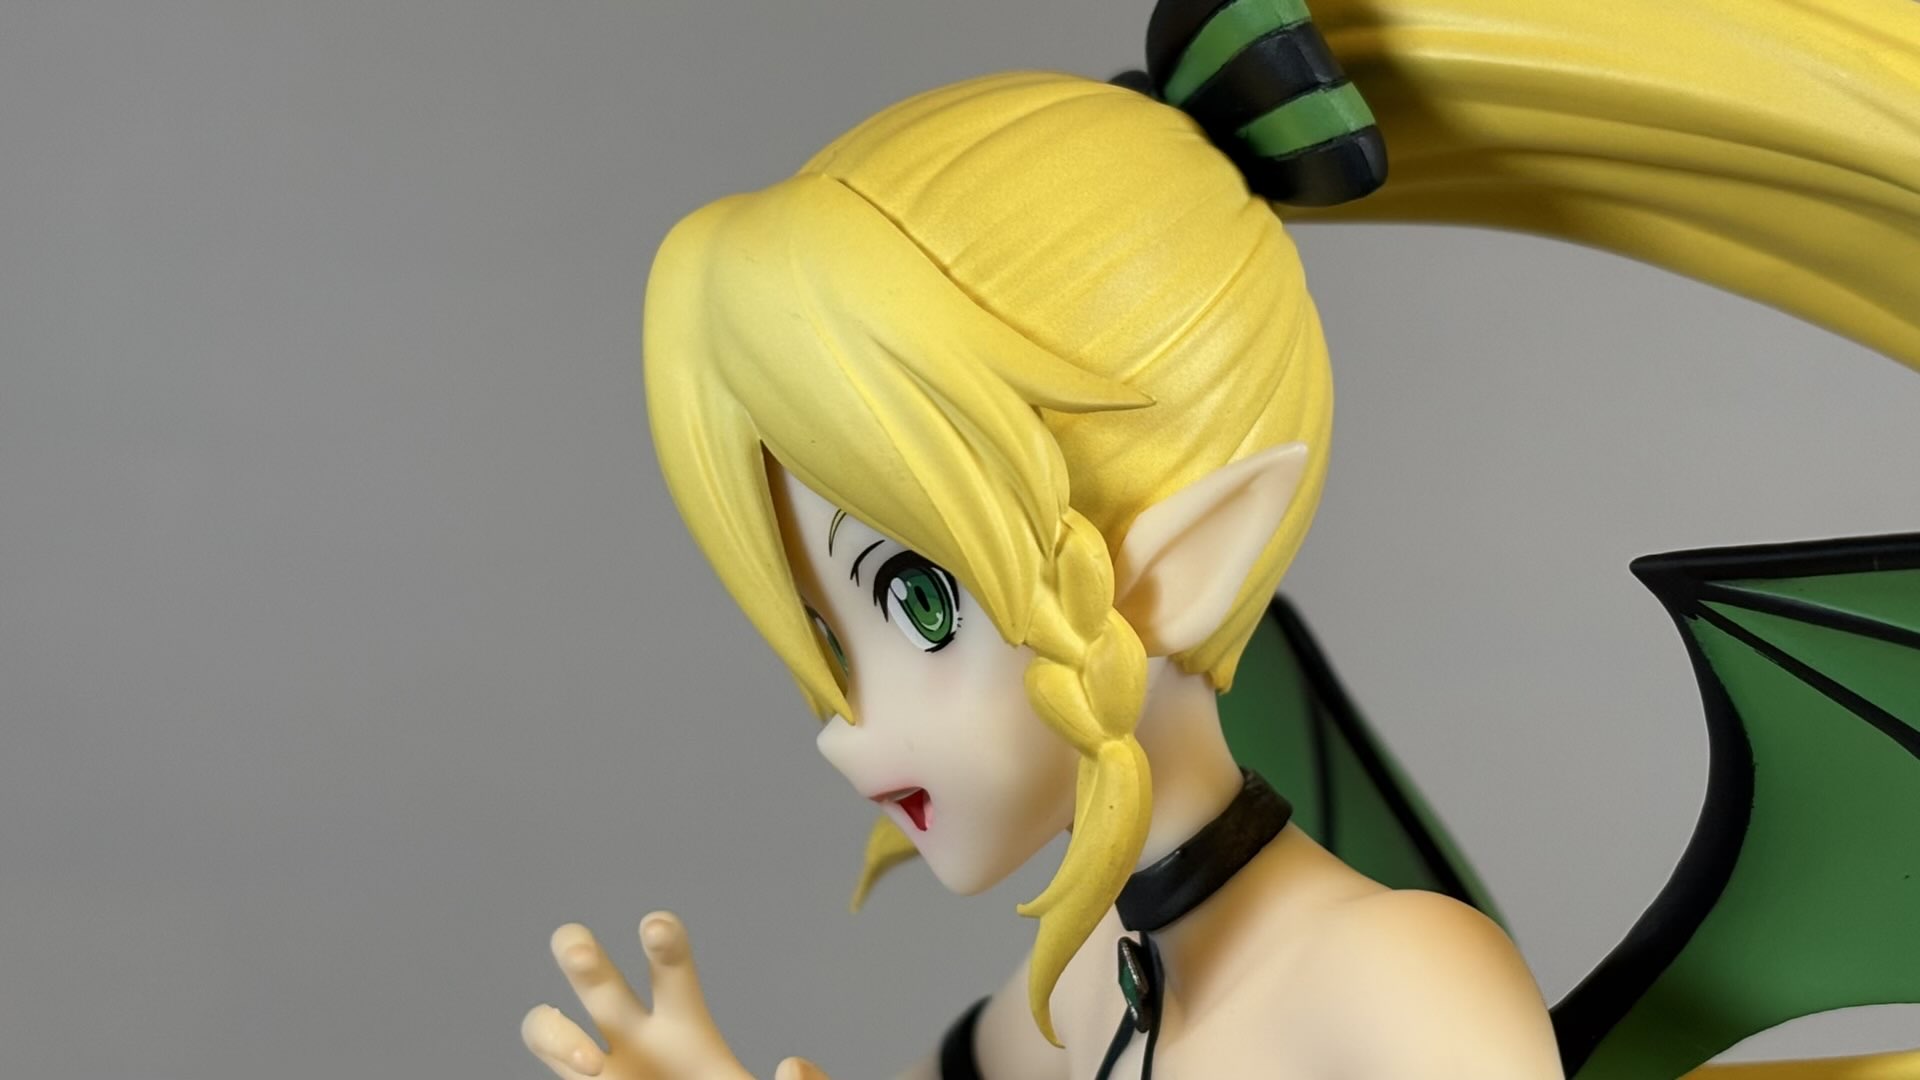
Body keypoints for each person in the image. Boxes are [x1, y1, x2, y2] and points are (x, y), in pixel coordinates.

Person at [521, 0, 1920, 1075]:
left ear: (1182, 564)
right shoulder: (1081, 986)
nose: (844, 728)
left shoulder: (1400, 989)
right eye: (828, 634)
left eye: (920, 603)